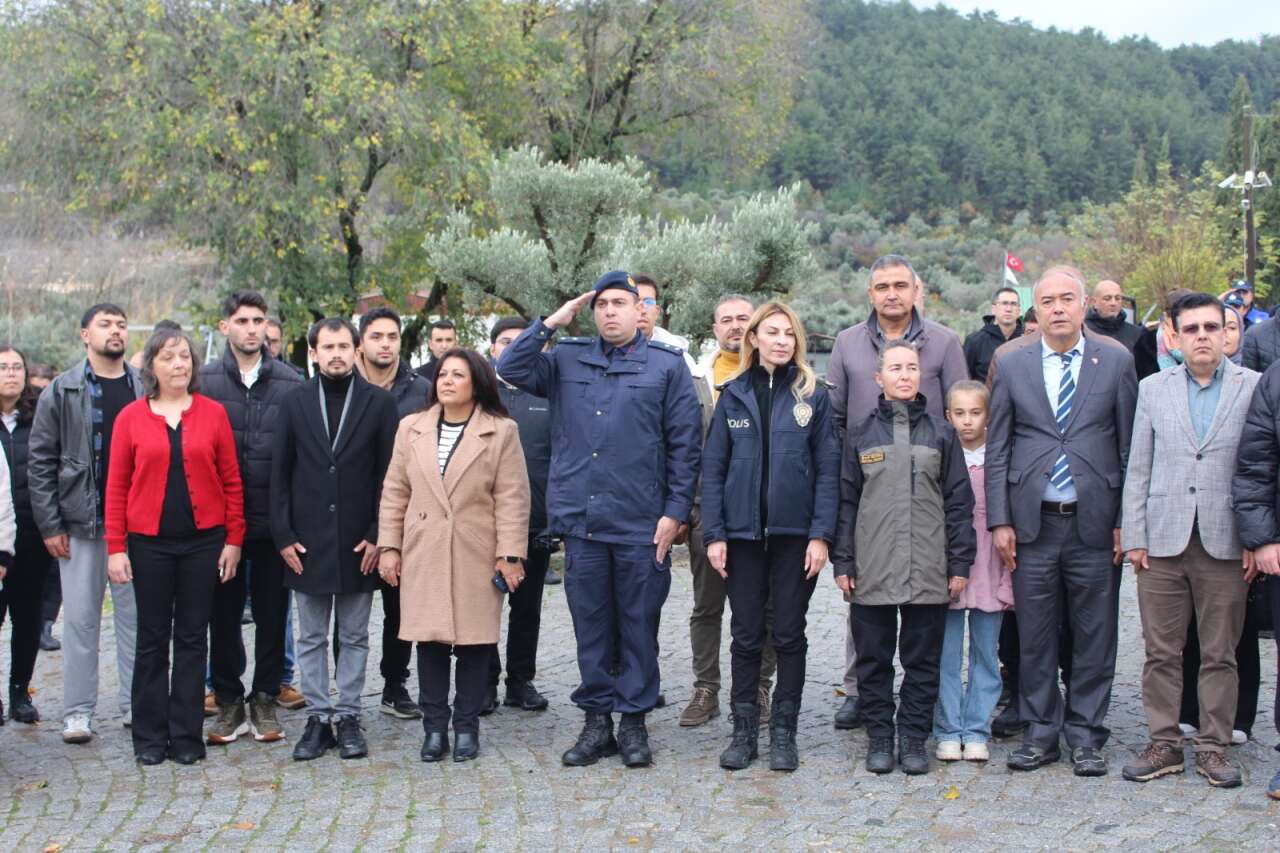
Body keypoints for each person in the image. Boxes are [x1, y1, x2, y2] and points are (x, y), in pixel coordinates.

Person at [497, 270, 701, 768]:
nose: (610, 311)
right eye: (602, 304)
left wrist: (675, 513)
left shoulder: (667, 367)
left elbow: (685, 446)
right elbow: (510, 366)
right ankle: (596, 724)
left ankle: (633, 724)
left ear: (641, 311)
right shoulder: (566, 358)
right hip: (583, 524)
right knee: (591, 627)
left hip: (641, 523)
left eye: (620, 303)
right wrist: (552, 321)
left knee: (637, 625)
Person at [986, 266, 1137, 776]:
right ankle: (1041, 732)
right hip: (1032, 527)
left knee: (1095, 634)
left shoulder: (1115, 360)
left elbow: (1129, 446)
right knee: (1035, 634)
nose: (1057, 308)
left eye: (1066, 299)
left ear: (1084, 304)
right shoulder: (1011, 363)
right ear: (1036, 308)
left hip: (1095, 524)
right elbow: (999, 446)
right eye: (1046, 300)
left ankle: (1088, 734)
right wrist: (1000, 520)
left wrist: (1125, 520)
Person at [1118, 292, 1258, 788]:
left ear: (1225, 332)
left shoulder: (1253, 388)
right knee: (1161, 650)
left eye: (1211, 327)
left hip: (1227, 539)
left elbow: (1262, 468)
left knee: (1221, 651)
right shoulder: (1154, 389)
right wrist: (1134, 534)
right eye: (1192, 328)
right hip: (1162, 539)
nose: (1202, 336)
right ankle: (1163, 742)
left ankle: (1214, 746)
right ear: (1174, 336)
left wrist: (1259, 538)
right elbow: (1139, 465)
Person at [826, 254, 967, 730]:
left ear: (915, 290)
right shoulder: (847, 343)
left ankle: (915, 720)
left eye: (900, 285)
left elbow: (956, 410)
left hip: (926, 479)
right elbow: (837, 417)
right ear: (870, 294)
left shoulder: (945, 343)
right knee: (867, 612)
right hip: (868, 480)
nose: (891, 293)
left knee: (922, 629)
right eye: (882, 286)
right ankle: (861, 695)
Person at [701, 302, 839, 771]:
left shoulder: (814, 396)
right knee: (744, 634)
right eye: (772, 332)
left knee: (788, 633)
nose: (782, 341)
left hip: (794, 537)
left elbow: (827, 471)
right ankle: (743, 732)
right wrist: (715, 534)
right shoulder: (733, 393)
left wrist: (820, 534)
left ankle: (784, 731)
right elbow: (714, 470)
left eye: (789, 334)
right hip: (741, 538)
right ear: (753, 338)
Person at [378, 348, 530, 762]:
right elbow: (395, 491)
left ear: (476, 382)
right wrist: (389, 546)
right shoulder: (411, 428)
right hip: (423, 549)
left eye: (457, 375)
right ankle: (433, 729)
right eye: (442, 374)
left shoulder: (501, 431)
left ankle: (466, 727)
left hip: (475, 550)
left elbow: (513, 497)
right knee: (428, 642)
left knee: (474, 644)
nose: (445, 381)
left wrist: (511, 554)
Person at [832, 340, 975, 775]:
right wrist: (843, 562)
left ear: (921, 376)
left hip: (929, 567)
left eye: (912, 367)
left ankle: (913, 737)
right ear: (879, 378)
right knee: (873, 660)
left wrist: (960, 563)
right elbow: (845, 503)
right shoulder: (859, 434)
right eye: (895, 368)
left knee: (922, 660)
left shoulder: (943, 433)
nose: (904, 375)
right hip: (871, 568)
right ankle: (879, 737)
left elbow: (959, 504)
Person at [104, 328, 245, 764]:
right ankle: (149, 738)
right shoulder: (130, 417)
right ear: (152, 367)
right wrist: (116, 547)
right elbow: (116, 487)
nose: (179, 364)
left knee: (191, 640)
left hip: (204, 543)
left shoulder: (213, 414)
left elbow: (232, 481)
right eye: (169, 357)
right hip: (149, 545)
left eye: (185, 356)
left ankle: (186, 737)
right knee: (151, 639)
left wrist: (233, 540)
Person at [270, 318, 398, 761]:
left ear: (357, 350)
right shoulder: (293, 402)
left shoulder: (380, 404)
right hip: (305, 542)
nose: (337, 354)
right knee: (309, 636)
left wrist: (379, 534)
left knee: (356, 634)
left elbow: (390, 476)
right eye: (328, 347)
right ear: (314, 353)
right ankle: (317, 717)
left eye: (345, 346)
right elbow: (278, 475)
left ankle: (347, 715)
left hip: (359, 541)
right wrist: (282, 535)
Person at [29, 303, 142, 743]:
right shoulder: (63, 390)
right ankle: (78, 711)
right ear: (84, 335)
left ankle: (137, 705)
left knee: (137, 619)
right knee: (79, 622)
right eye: (105, 325)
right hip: (80, 525)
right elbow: (41, 461)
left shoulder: (142, 386)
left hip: (136, 527)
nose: (115, 332)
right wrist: (50, 522)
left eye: (121, 325)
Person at [197, 291, 301, 746]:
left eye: (259, 320)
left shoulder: (291, 382)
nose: (252, 328)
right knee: (221, 615)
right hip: (220, 527)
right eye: (242, 320)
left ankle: (264, 696)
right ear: (225, 327)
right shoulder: (203, 382)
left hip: (274, 520)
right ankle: (228, 698)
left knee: (273, 614)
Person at [681, 293, 780, 727]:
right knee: (707, 606)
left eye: (744, 318)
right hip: (708, 509)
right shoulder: (695, 379)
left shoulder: (777, 378)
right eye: (726, 320)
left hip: (765, 514)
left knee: (767, 608)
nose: (735, 326)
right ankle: (706, 688)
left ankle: (759, 688)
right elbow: (682, 449)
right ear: (714, 327)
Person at [933, 380, 1012, 763]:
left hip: (990, 562)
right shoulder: (942, 453)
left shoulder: (999, 456)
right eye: (959, 413)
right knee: (946, 654)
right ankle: (948, 728)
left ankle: (976, 727)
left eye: (975, 412)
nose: (967, 421)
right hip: (949, 560)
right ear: (948, 416)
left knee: (986, 651)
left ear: (989, 415)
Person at [356, 306, 428, 720]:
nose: (385, 344)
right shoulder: (339, 388)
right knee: (347, 610)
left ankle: (394, 685)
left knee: (400, 609)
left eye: (392, 336)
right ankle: (344, 689)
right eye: (377, 336)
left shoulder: (422, 391)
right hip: (350, 517)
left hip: (407, 517)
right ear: (361, 342)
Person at [487, 318, 554, 713]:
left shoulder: (548, 394)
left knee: (526, 608)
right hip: (484, 523)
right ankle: (483, 678)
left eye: (521, 342)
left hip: (535, 520)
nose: (512, 348)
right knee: (483, 605)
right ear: (493, 348)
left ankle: (520, 680)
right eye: (505, 342)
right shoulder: (481, 396)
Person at [0, 347, 52, 723]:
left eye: (16, 367)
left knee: (29, 618)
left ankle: (20, 690)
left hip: (33, 535)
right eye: (3, 367)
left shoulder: (39, 417)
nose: (11, 374)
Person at [963, 288, 1022, 382]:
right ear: (994, 309)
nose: (1009, 309)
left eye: (1013, 304)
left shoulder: (1027, 340)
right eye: (1004, 303)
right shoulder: (975, 341)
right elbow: (964, 379)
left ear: (1019, 311)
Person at [1084, 280, 1143, 353]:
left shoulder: (1136, 333)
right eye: (1107, 298)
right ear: (1094, 302)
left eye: (1117, 298)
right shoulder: (1081, 331)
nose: (1113, 303)